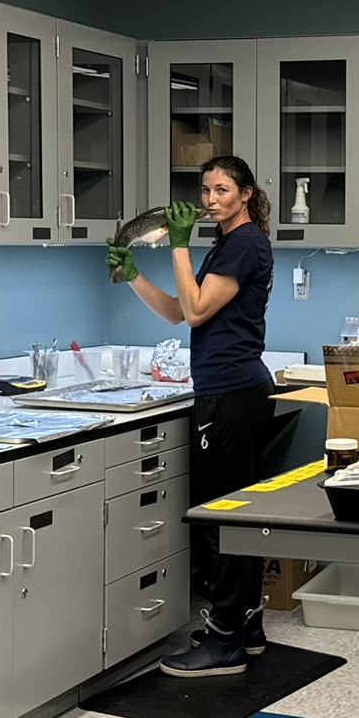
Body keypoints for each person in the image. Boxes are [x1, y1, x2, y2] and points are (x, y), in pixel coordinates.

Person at [108, 155, 275, 677]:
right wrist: (135, 274)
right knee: (237, 519)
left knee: (222, 519)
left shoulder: (245, 243)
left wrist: (178, 244)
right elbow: (181, 311)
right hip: (230, 392)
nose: (209, 199)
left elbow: (199, 310)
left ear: (245, 194)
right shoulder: (226, 245)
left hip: (230, 396)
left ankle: (223, 640)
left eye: (222, 189)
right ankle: (245, 628)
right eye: (205, 190)